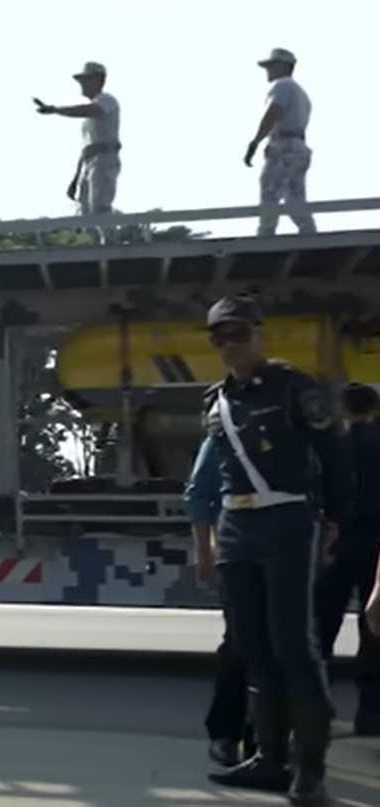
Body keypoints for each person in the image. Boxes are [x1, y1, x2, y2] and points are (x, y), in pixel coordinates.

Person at [200, 294, 349, 804]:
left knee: (294, 648)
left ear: (258, 335)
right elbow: (221, 472)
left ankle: (310, 774)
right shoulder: (216, 402)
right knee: (251, 647)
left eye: (239, 333)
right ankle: (268, 758)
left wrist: (333, 519)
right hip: (236, 524)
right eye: (220, 337)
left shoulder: (293, 387)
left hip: (287, 518)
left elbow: (334, 454)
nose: (230, 345)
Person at [313, 382, 380, 735]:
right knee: (373, 630)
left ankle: (315, 706)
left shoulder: (334, 445)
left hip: (338, 545)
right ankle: (370, 713)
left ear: (344, 409)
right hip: (374, 546)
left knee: (322, 626)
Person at [188, 435, 258, 766]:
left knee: (285, 648)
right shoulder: (225, 432)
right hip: (239, 552)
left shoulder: (297, 424)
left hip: (288, 553)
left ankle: (266, 739)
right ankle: (226, 734)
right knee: (239, 643)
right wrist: (204, 550)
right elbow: (200, 494)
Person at [35, 62, 122, 238]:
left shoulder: (107, 100)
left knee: (99, 205)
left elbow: (91, 110)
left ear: (99, 80)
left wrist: (56, 110)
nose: (82, 84)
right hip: (89, 162)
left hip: (104, 158)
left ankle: (111, 245)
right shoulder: (89, 119)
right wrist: (76, 178)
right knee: (85, 210)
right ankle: (98, 245)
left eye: (86, 80)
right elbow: (87, 149)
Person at [245, 48, 315, 237]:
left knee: (270, 189)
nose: (268, 71)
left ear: (284, 67)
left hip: (284, 145)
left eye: (271, 66)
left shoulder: (282, 86)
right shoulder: (301, 93)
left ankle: (265, 237)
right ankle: (308, 232)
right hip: (298, 147)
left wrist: (255, 142)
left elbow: (273, 112)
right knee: (294, 198)